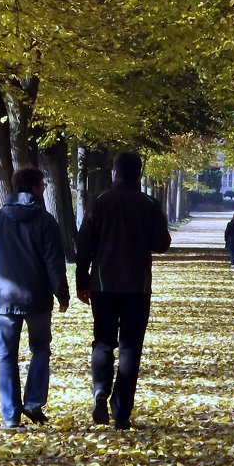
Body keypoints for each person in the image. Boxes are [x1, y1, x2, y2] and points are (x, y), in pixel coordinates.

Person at [75, 151, 171, 429]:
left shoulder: (99, 202)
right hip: (137, 286)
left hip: (103, 285)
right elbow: (161, 244)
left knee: (103, 340)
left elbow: (84, 245)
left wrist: (82, 281)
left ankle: (100, 389)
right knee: (130, 347)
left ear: (115, 172)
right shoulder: (149, 204)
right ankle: (122, 413)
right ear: (139, 174)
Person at [0, 167, 70, 429]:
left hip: (5, 300)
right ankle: (33, 401)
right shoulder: (46, 221)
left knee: (6, 355)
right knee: (40, 349)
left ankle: (10, 415)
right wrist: (62, 294)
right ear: (36, 188)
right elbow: (54, 263)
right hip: (38, 299)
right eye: (43, 185)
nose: (45, 189)